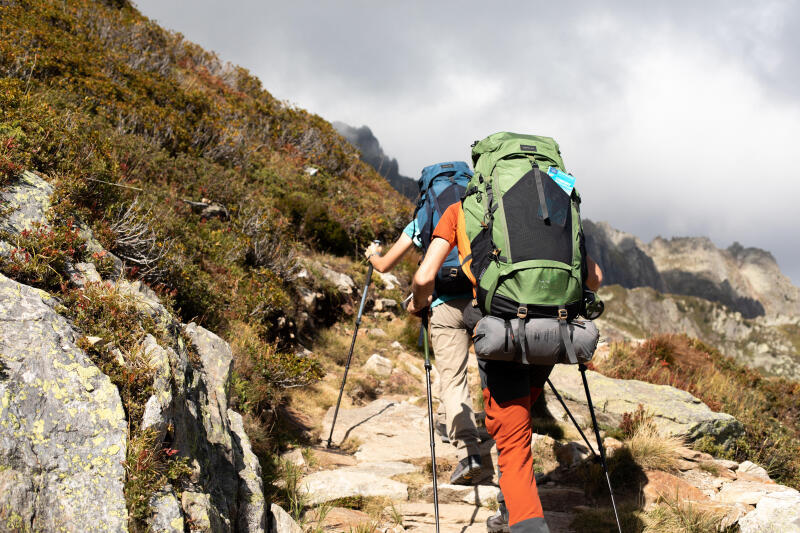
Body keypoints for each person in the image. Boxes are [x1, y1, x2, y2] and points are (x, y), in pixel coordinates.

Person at [407, 202, 603, 533]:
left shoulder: (461, 209)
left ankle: (526, 521)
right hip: (554, 332)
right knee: (518, 420)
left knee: (511, 437)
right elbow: (594, 278)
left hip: (503, 330)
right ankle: (509, 508)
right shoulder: (553, 208)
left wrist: (417, 302)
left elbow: (425, 276)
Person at [365, 218, 484, 486]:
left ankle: (469, 453)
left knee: (453, 378)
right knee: (494, 370)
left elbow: (385, 265)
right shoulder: (478, 207)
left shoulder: (426, 215)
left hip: (443, 303)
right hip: (483, 298)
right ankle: (483, 428)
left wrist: (372, 255)